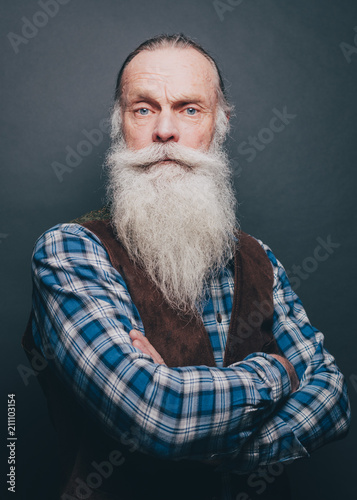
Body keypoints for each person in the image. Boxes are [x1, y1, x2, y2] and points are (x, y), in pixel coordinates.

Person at [22, 34, 351, 500]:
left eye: (189, 109)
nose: (165, 131)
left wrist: (214, 446)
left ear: (220, 125)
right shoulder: (70, 252)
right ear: (120, 124)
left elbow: (334, 403)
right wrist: (280, 371)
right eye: (144, 109)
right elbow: (159, 415)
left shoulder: (260, 258)